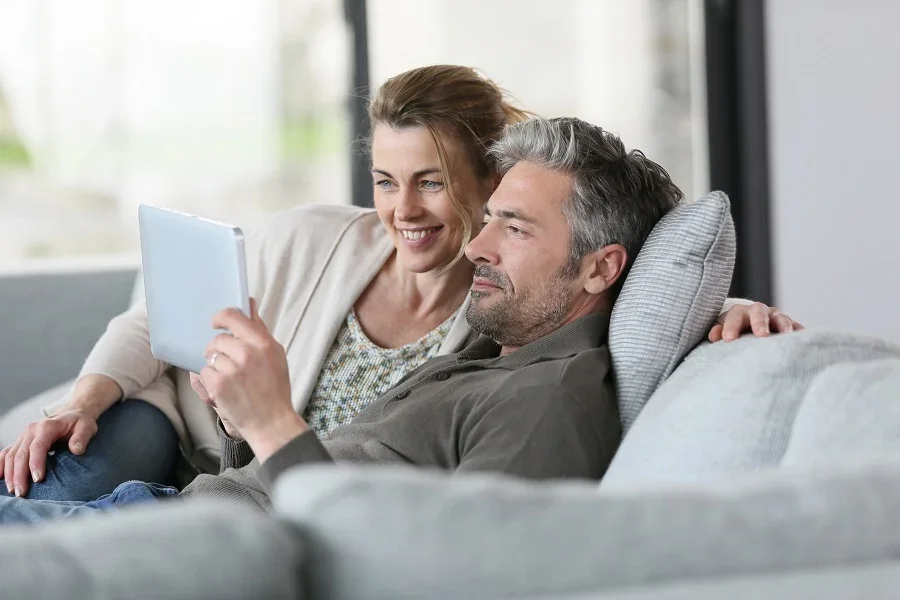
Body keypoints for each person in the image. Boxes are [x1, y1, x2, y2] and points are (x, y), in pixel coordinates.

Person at [0, 117, 801, 524]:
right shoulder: (498, 343)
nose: (477, 245)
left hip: (192, 544)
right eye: (489, 218)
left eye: (514, 228)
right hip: (170, 506)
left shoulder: (548, 401)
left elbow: (423, 564)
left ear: (600, 268)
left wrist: (273, 421)